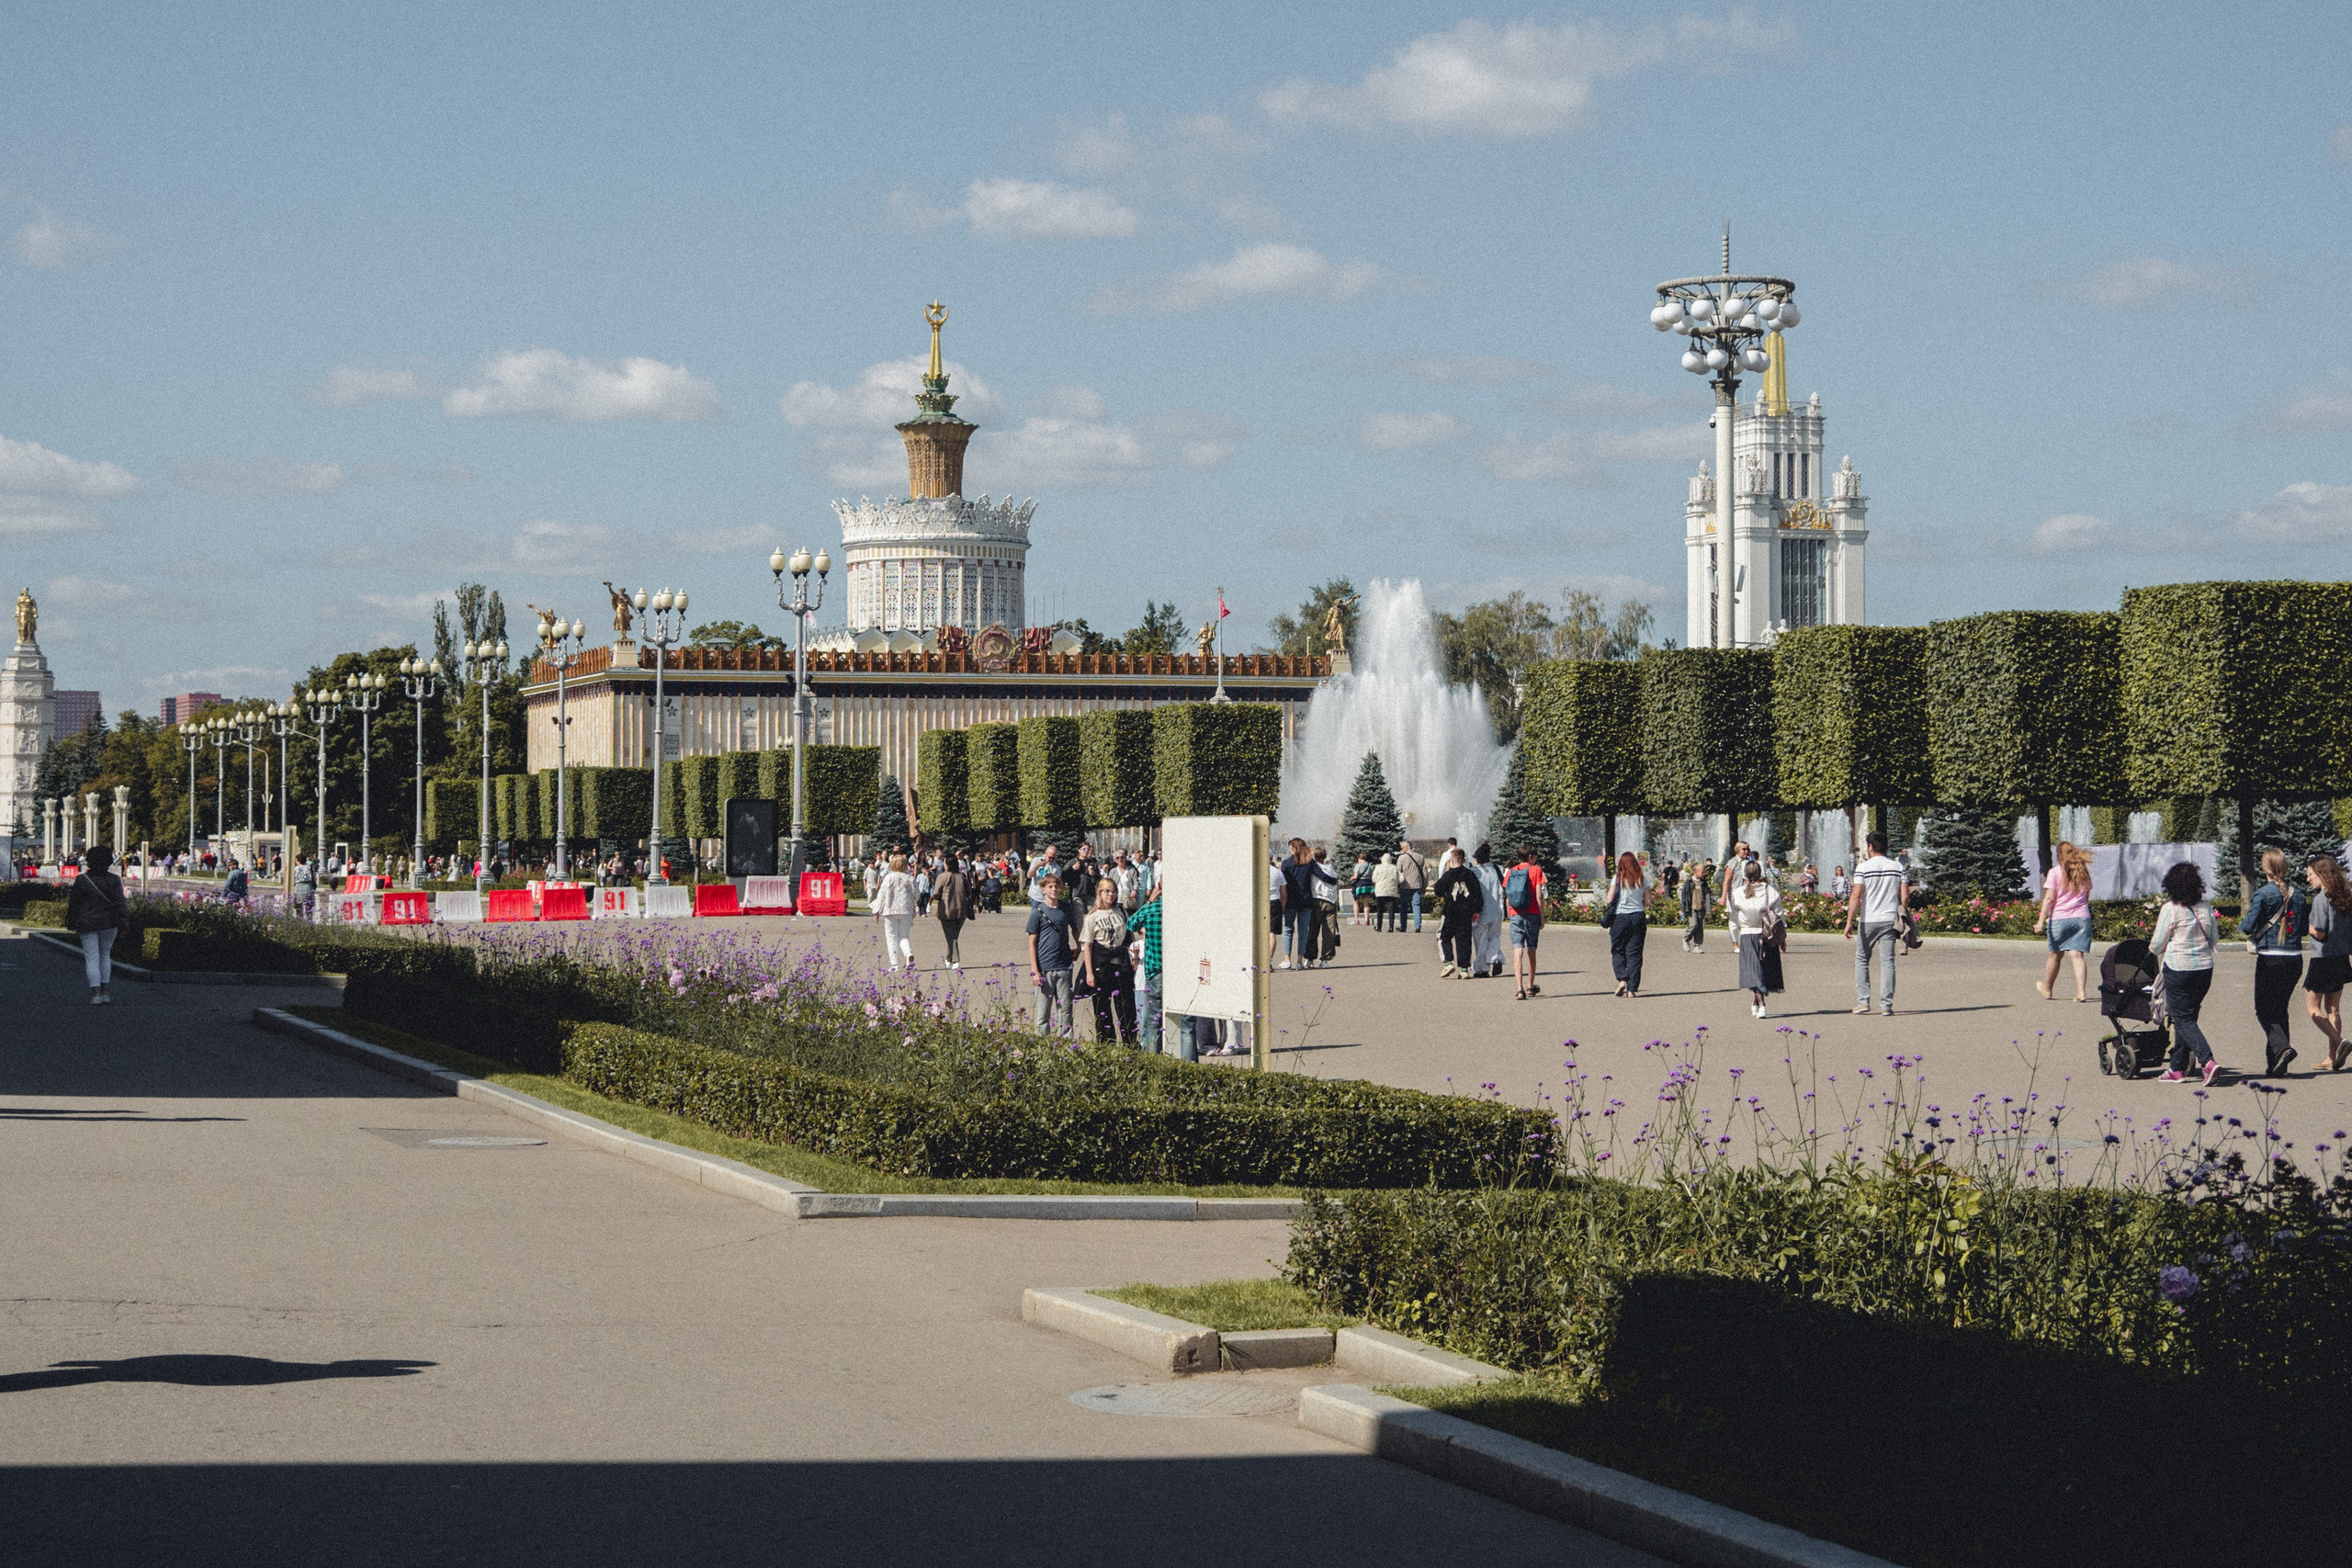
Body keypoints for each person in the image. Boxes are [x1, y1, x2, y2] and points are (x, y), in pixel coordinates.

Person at [2152, 861, 2222, 1086]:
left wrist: (2153, 949)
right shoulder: (2206, 907)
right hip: (2204, 969)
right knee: (2187, 1018)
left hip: (2179, 968)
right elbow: (2215, 938)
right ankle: (2176, 1068)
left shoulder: (2170, 909)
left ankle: (2208, 1061)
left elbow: (2157, 944)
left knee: (2181, 1018)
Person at [2239, 847, 2307, 1077]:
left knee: (2263, 1010)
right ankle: (2277, 1065)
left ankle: (2283, 1049)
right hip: (2294, 959)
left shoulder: (2263, 893)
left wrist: (2246, 929)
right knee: (2280, 1010)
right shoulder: (2297, 894)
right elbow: (2303, 927)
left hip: (2271, 959)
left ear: (2265, 868)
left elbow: (2248, 926)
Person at [1841, 831, 1906, 1016]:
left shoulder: (1863, 867)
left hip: (1868, 919)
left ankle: (1863, 1002)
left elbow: (1856, 895)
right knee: (1888, 962)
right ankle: (1886, 1005)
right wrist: (1902, 911)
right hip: (1889, 919)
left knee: (1862, 959)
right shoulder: (1898, 867)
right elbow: (1905, 895)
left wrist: (1849, 921)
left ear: (1870, 847)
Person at [2304, 852, 2352, 1071]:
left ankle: (2341, 1042)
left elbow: (2320, 933)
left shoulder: (2321, 900)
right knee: (2333, 1009)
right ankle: (2331, 1057)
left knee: (2312, 1008)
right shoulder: (2346, 896)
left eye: (2310, 874)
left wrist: (2306, 927)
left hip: (2322, 958)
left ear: (2321, 875)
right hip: (2341, 957)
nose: (2308, 879)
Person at [66, 843, 129, 1005]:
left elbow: (74, 903)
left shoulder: (82, 879)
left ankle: (95, 995)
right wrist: (124, 923)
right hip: (109, 922)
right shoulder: (114, 880)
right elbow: (120, 903)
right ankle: (105, 993)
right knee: (105, 955)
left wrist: (71, 921)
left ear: (89, 861)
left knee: (91, 957)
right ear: (108, 861)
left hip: (86, 922)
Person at [2033, 840, 2094, 1003]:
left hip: (2060, 919)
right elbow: (2086, 898)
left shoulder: (2054, 872)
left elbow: (2049, 899)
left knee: (2055, 956)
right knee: (2077, 956)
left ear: (2059, 855)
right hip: (2082, 918)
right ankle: (2081, 992)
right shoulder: (2083, 872)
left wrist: (2040, 922)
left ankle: (2047, 988)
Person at [1080, 881, 1137, 1044]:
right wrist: (1089, 973)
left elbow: (1130, 938)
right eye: (1106, 891)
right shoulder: (1092, 917)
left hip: (1121, 965)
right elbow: (1087, 946)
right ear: (1100, 893)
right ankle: (1106, 1044)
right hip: (1102, 965)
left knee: (1126, 1007)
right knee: (1102, 1008)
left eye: (1113, 891)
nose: (1110, 895)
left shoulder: (1121, 911)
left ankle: (1130, 1044)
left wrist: (1134, 960)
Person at [1727, 858, 1784, 1018]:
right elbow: (1779, 916)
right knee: (1759, 970)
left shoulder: (1739, 893)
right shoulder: (1770, 891)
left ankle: (1761, 1004)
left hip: (1748, 934)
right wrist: (1782, 938)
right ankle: (1758, 1002)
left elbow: (1734, 911)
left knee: (1753, 971)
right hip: (1767, 935)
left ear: (1745, 874)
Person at [1026, 874, 1079, 1037]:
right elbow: (1032, 942)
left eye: (1056, 886)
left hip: (1064, 966)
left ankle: (1067, 1046)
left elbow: (1075, 929)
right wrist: (1035, 970)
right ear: (1043, 889)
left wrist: (1078, 947)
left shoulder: (1065, 908)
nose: (1054, 889)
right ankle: (1043, 1046)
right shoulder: (1037, 912)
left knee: (1066, 1011)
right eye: (1050, 887)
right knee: (1043, 1013)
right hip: (1044, 967)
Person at [1430, 846, 1483, 979]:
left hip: (1450, 911)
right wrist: (1477, 910)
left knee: (1444, 936)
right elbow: (1477, 893)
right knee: (1464, 940)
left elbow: (1438, 891)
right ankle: (1464, 969)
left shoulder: (1448, 875)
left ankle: (1448, 962)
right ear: (1464, 859)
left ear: (1451, 860)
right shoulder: (1470, 875)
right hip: (1465, 912)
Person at [1502, 846, 1546, 999]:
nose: (1536, 859)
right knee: (1532, 950)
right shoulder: (1536, 870)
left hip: (1515, 914)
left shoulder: (1511, 871)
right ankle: (1530, 986)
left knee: (1517, 951)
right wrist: (1542, 916)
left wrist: (1509, 913)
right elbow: (1539, 896)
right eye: (1534, 857)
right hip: (1532, 914)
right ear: (1529, 857)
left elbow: (1507, 895)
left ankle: (1519, 989)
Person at [1606, 850, 1648, 998]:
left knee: (1617, 950)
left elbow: (1610, 899)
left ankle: (1622, 979)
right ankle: (1631, 990)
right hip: (1638, 917)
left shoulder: (1618, 878)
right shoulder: (1642, 878)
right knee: (1635, 954)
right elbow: (1648, 902)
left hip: (1620, 918)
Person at [1129, 880, 1166, 1053]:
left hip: (1156, 970)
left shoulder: (1152, 908)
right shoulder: (1183, 907)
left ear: (1159, 885)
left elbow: (1131, 923)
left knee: (1153, 1020)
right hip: (1180, 972)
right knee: (1186, 1024)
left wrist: (1150, 900)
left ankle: (1152, 1059)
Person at [874, 852, 919, 972]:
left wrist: (876, 911)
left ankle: (894, 965)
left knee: (891, 937)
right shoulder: (910, 879)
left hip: (890, 911)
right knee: (904, 935)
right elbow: (917, 895)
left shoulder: (888, 878)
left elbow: (881, 896)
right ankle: (908, 954)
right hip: (906, 911)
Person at [1278, 838, 1317, 970]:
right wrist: (1333, 879)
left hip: (1290, 901)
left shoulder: (1286, 863)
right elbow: (1321, 875)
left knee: (1288, 930)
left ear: (1294, 848)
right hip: (1306, 901)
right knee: (1303, 932)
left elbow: (1282, 883)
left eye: (1291, 847)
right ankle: (1299, 961)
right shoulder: (1309, 862)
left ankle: (1287, 959)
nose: (1290, 850)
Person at [1471, 843, 1506, 979]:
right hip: (1497, 910)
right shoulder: (1498, 869)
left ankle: (1482, 969)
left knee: (1481, 940)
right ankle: (1496, 957)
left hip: (1481, 911)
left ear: (1477, 859)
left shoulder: (1475, 872)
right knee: (1494, 937)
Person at [933, 855, 970, 970]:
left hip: (946, 910)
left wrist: (933, 898)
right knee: (953, 935)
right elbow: (969, 892)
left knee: (951, 936)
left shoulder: (942, 877)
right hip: (961, 910)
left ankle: (956, 960)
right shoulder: (962, 877)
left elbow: (936, 894)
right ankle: (948, 959)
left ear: (947, 864)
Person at [1680, 858, 1714, 953]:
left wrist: (1717, 899)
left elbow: (1709, 893)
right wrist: (1683, 908)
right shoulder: (1689, 882)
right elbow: (1684, 895)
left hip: (1702, 907)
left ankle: (1697, 945)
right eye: (1702, 872)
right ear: (1696, 871)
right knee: (1693, 925)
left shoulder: (1704, 883)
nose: (1704, 874)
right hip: (1692, 907)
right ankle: (1686, 939)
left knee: (1700, 927)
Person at [1395, 838, 1427, 933]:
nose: (1401, 850)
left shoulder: (1402, 858)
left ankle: (1403, 927)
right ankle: (1417, 927)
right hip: (1417, 885)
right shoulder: (1420, 857)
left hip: (1405, 885)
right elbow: (1424, 873)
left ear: (1407, 847)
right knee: (1416, 906)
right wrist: (1424, 886)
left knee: (1403, 907)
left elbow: (1398, 872)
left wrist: (1397, 884)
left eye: (1402, 848)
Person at [1371, 852, 1400, 932]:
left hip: (1380, 891)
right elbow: (1400, 879)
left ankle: (1379, 926)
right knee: (1391, 911)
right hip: (1391, 891)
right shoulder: (1394, 868)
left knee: (1380, 910)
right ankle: (1391, 927)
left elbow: (1374, 879)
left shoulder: (1378, 868)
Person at [1349, 852, 1374, 925]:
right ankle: (1366, 920)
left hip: (1360, 884)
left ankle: (1356, 920)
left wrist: (1352, 878)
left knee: (1356, 901)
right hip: (1368, 883)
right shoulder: (1370, 866)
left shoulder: (1358, 866)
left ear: (1359, 859)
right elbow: (1372, 876)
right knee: (1366, 901)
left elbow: (1356, 876)